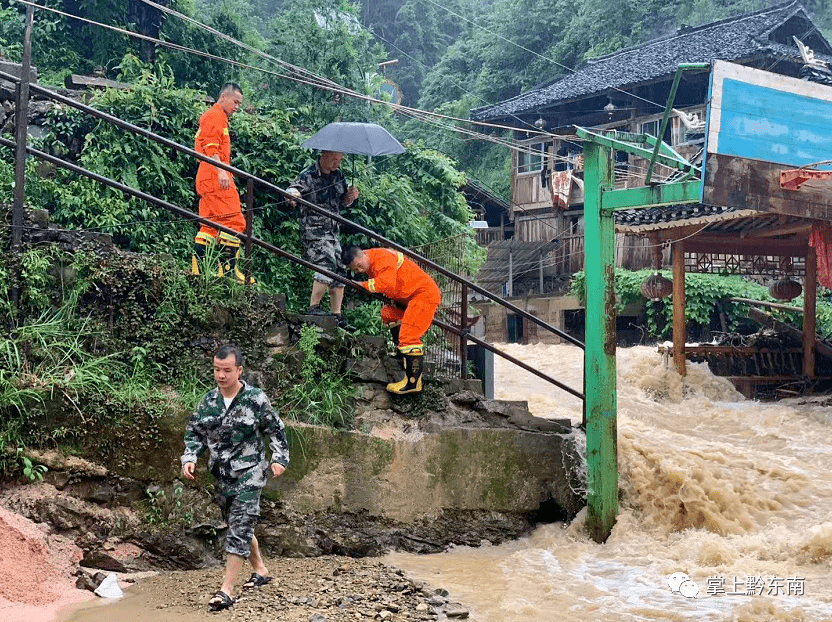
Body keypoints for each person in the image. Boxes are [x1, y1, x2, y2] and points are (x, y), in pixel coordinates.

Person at [181, 344, 289, 611]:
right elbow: (194, 433)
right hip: (222, 474)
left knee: (240, 526)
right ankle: (261, 570)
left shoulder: (255, 399)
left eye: (226, 370)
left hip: (251, 472)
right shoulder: (208, 402)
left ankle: (226, 589)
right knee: (237, 524)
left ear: (239, 370)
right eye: (217, 370)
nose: (220, 375)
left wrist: (279, 459)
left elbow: (276, 430)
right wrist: (190, 457)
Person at [342, 245, 441, 394]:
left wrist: (362, 285)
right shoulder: (371, 260)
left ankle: (413, 383)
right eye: (356, 270)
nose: (360, 271)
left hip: (422, 295)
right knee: (389, 313)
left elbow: (386, 283)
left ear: (363, 254)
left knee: (409, 336)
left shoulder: (382, 258)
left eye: (359, 266)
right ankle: (402, 354)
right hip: (408, 297)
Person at [286, 150, 359, 330]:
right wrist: (292, 194)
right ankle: (314, 307)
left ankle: (337, 315)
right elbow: (292, 189)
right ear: (324, 155)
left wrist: (350, 198)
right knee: (325, 263)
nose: (338, 163)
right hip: (314, 230)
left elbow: (343, 202)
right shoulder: (309, 175)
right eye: (335, 159)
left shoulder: (339, 176)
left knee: (341, 267)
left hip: (333, 231)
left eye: (340, 160)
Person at [191, 83, 252, 284]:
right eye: (235, 102)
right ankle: (228, 271)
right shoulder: (215, 115)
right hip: (215, 176)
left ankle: (198, 269)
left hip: (207, 176)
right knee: (234, 221)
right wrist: (222, 171)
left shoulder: (217, 117)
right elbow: (211, 147)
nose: (237, 107)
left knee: (209, 225)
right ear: (224, 96)